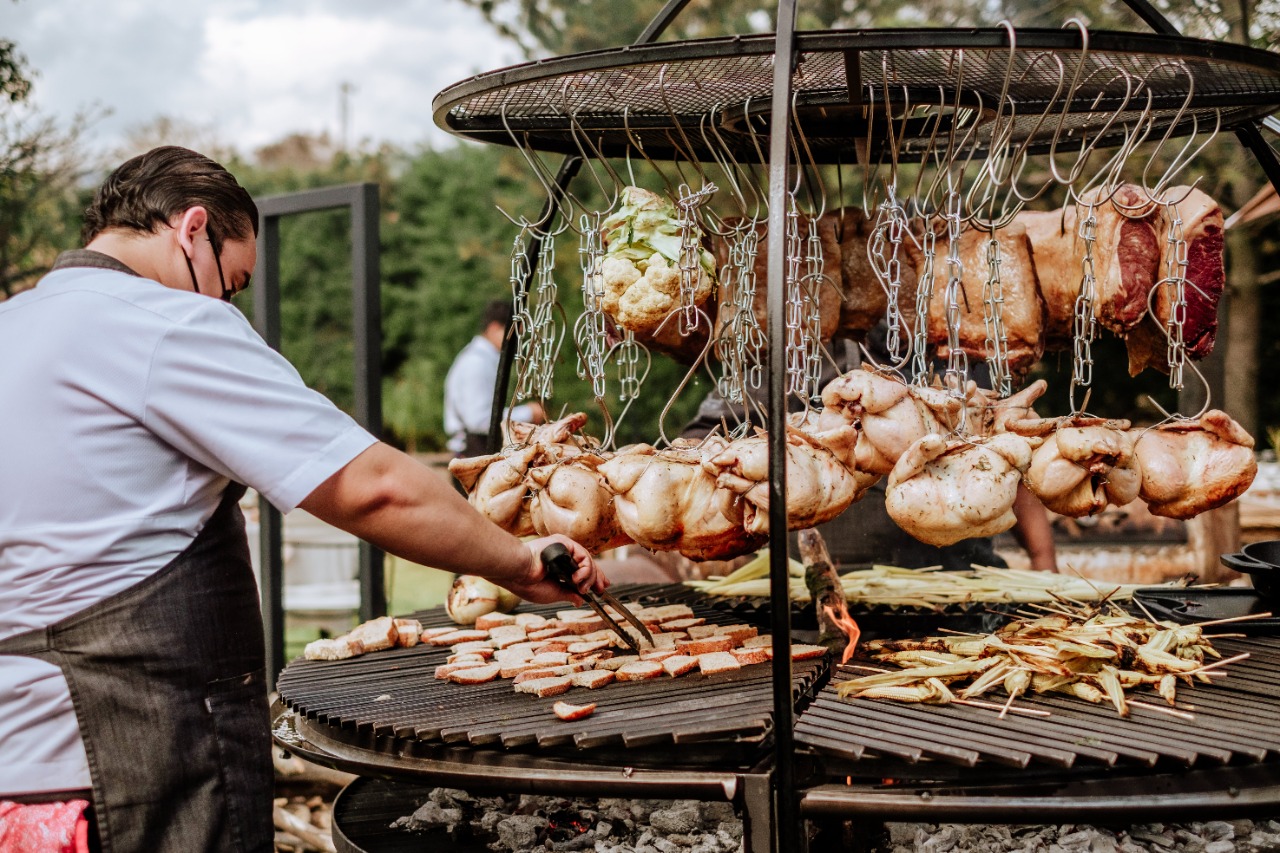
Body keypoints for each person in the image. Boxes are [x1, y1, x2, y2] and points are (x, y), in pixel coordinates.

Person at [0, 146, 604, 852]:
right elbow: (371, 487)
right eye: (232, 283)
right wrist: (518, 561)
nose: (226, 304)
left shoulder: (16, 326)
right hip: (130, 768)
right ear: (192, 228)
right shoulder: (161, 323)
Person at [443, 299, 545, 459]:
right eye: (516, 335)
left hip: (477, 449)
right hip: (474, 452)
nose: (517, 343)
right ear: (494, 328)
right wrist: (528, 413)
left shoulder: (481, 359)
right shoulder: (477, 363)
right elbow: (479, 421)